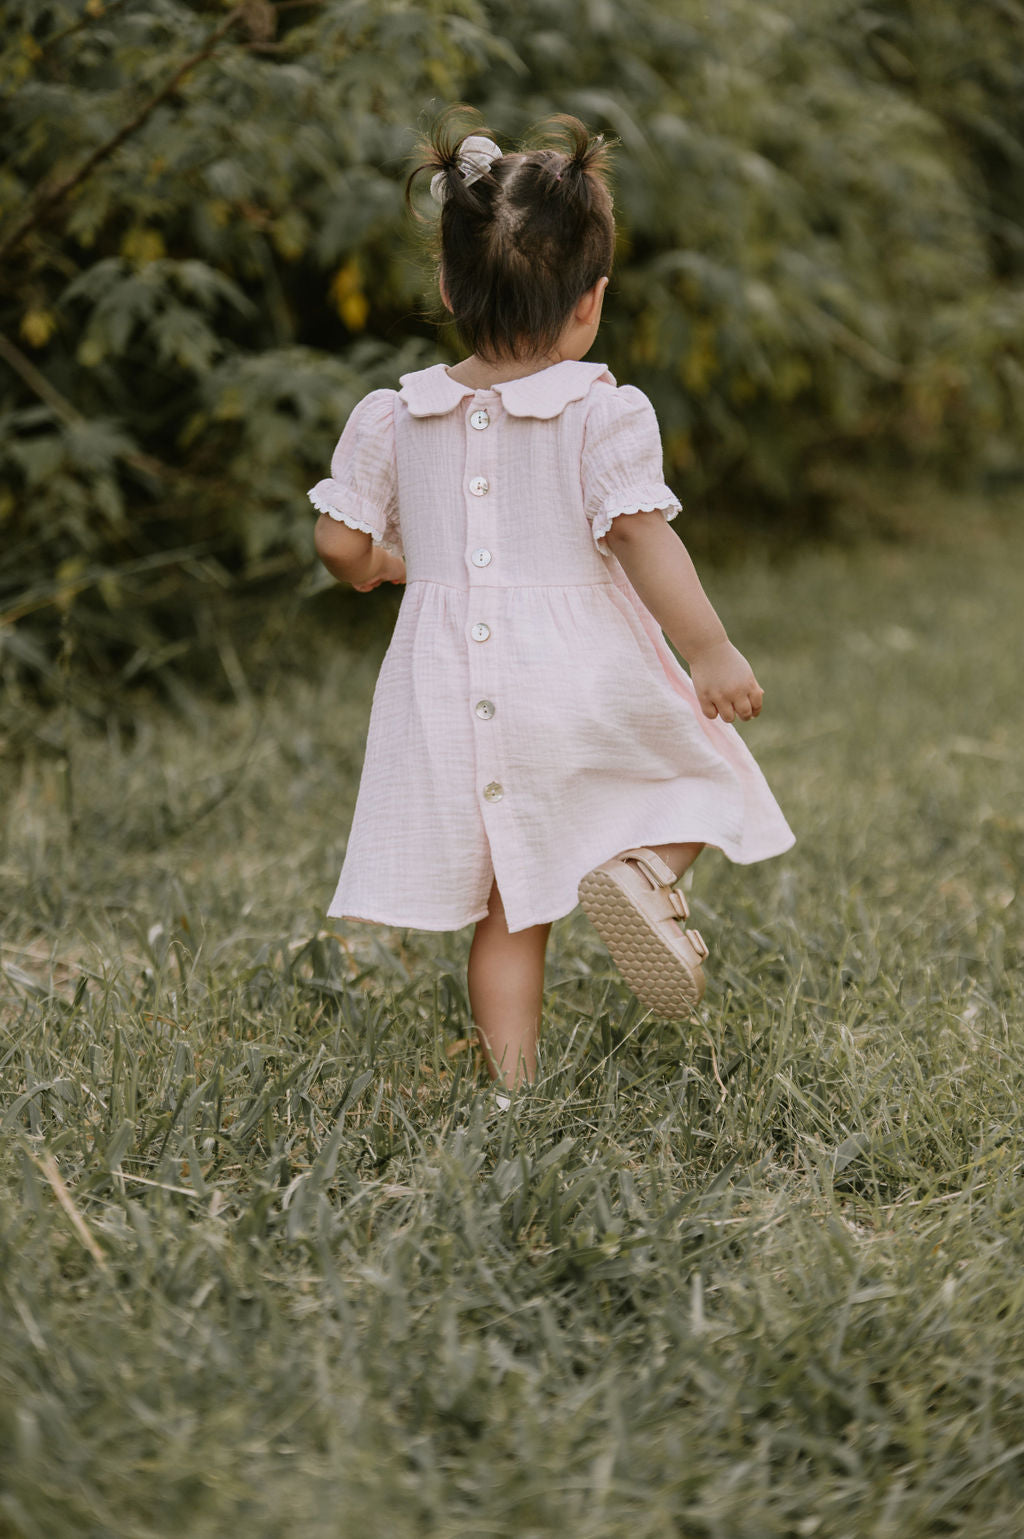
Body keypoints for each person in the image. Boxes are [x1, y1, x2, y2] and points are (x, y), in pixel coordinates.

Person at [309, 113, 794, 1091]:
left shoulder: (390, 415)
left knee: (508, 905)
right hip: (577, 669)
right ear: (591, 305)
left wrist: (383, 569)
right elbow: (637, 535)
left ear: (448, 289)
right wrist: (709, 652)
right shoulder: (605, 411)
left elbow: (339, 543)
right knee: (700, 772)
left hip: (451, 692)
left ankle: (513, 1092)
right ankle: (644, 871)